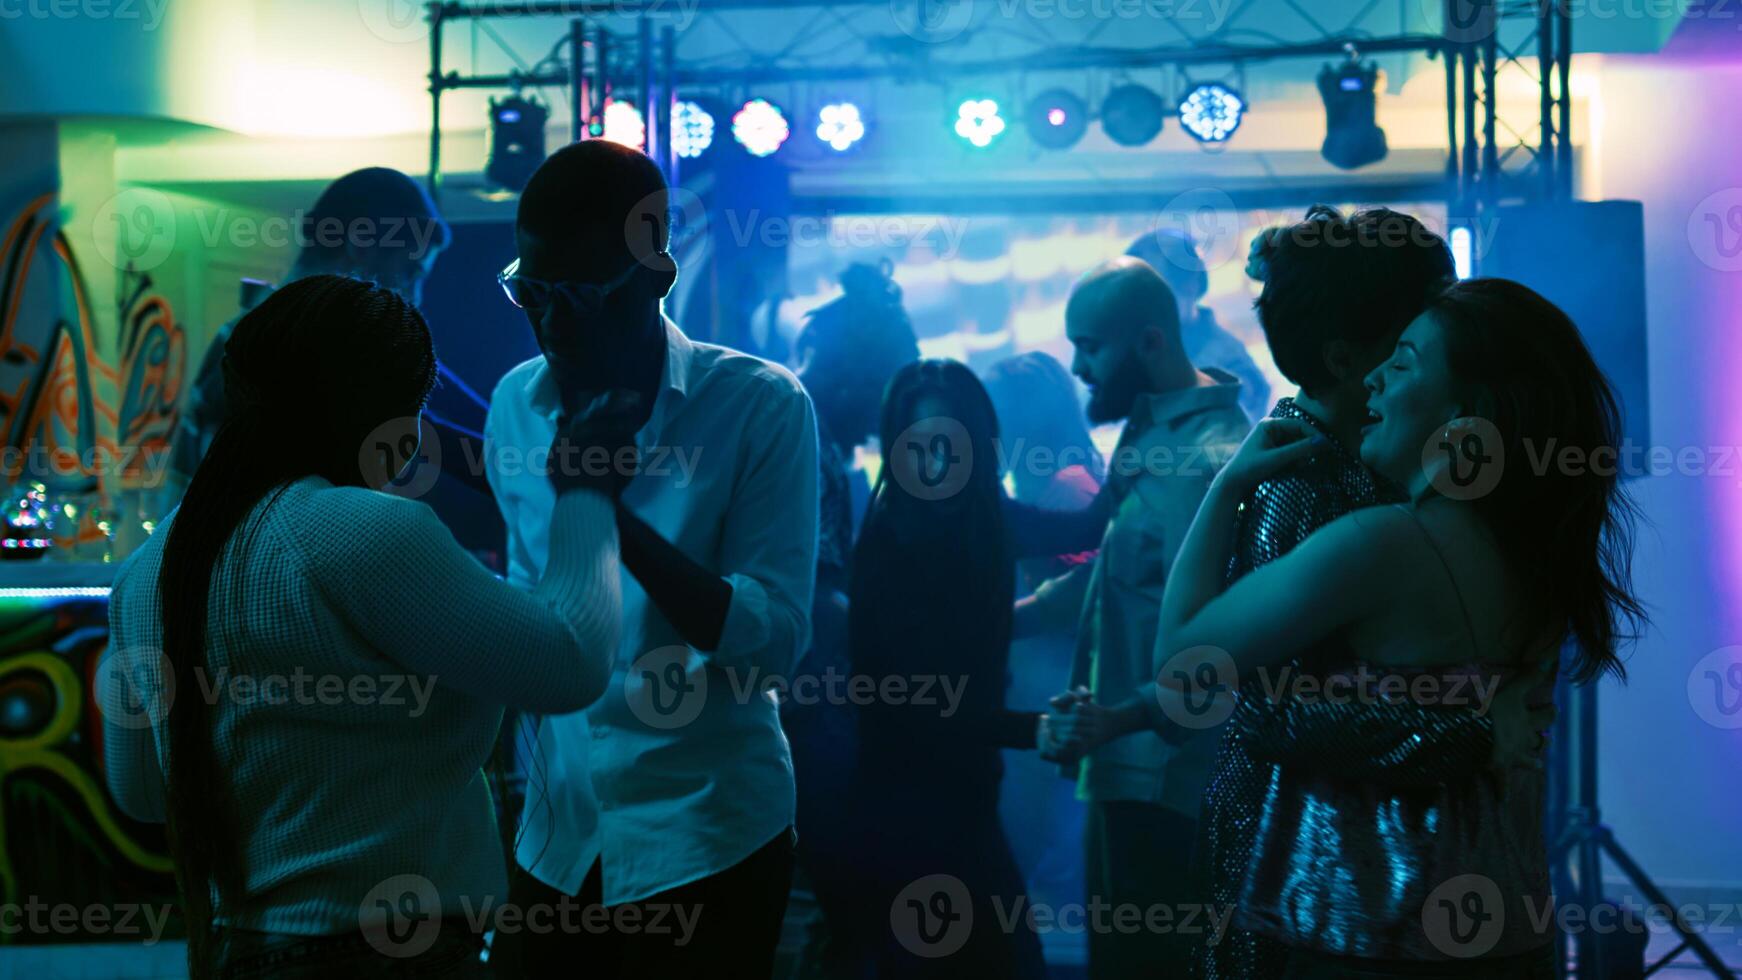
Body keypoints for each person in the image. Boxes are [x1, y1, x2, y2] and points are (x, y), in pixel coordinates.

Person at [100, 275, 627, 979]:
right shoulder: (366, 533)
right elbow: (569, 662)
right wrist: (585, 488)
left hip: (240, 952)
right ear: (391, 419)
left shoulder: (145, 569)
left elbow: (139, 791)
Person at [1155, 276, 1642, 978]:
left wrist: (1226, 486)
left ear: (1466, 412)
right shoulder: (1534, 549)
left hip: (1370, 940)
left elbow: (1181, 658)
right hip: (1512, 933)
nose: (1375, 377)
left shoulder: (1379, 544)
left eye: (1405, 362)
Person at [483, 140, 818, 979]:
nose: (552, 322)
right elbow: (536, 620)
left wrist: (605, 510)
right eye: (531, 292)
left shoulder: (759, 405)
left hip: (705, 835)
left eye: (580, 296)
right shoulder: (516, 405)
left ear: (658, 275)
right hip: (558, 834)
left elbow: (773, 642)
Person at [1006, 257, 1251, 979]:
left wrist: (1122, 720)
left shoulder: (1213, 461)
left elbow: (1220, 646)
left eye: (1090, 346)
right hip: (1121, 766)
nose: (1078, 367)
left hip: (1171, 779)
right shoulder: (1147, 434)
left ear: (1148, 342)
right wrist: (1002, 623)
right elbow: (1115, 580)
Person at [845, 358, 1048, 979]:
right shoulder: (892, 542)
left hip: (967, 800)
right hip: (910, 815)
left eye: (947, 447)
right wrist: (1038, 729)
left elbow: (1083, 525)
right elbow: (924, 707)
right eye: (918, 449)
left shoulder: (982, 520)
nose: (933, 466)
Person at [786, 258, 920, 978]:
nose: (888, 414)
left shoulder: (823, 439)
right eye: (887, 388)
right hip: (809, 719)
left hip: (815, 714)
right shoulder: (806, 438)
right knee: (824, 908)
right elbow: (811, 596)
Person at [167, 168, 449, 496]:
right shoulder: (291, 350)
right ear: (360, 245)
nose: (415, 296)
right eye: (410, 272)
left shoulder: (257, 337)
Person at [981, 350, 1100, 910]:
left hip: (1061, 711)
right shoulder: (1034, 492)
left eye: (992, 412)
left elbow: (1086, 608)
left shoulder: (1069, 491)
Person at [1126, 229, 1271, 423]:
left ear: (1190, 285)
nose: (1138, 306)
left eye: (1150, 291)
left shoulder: (1228, 363)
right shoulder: (1144, 350)